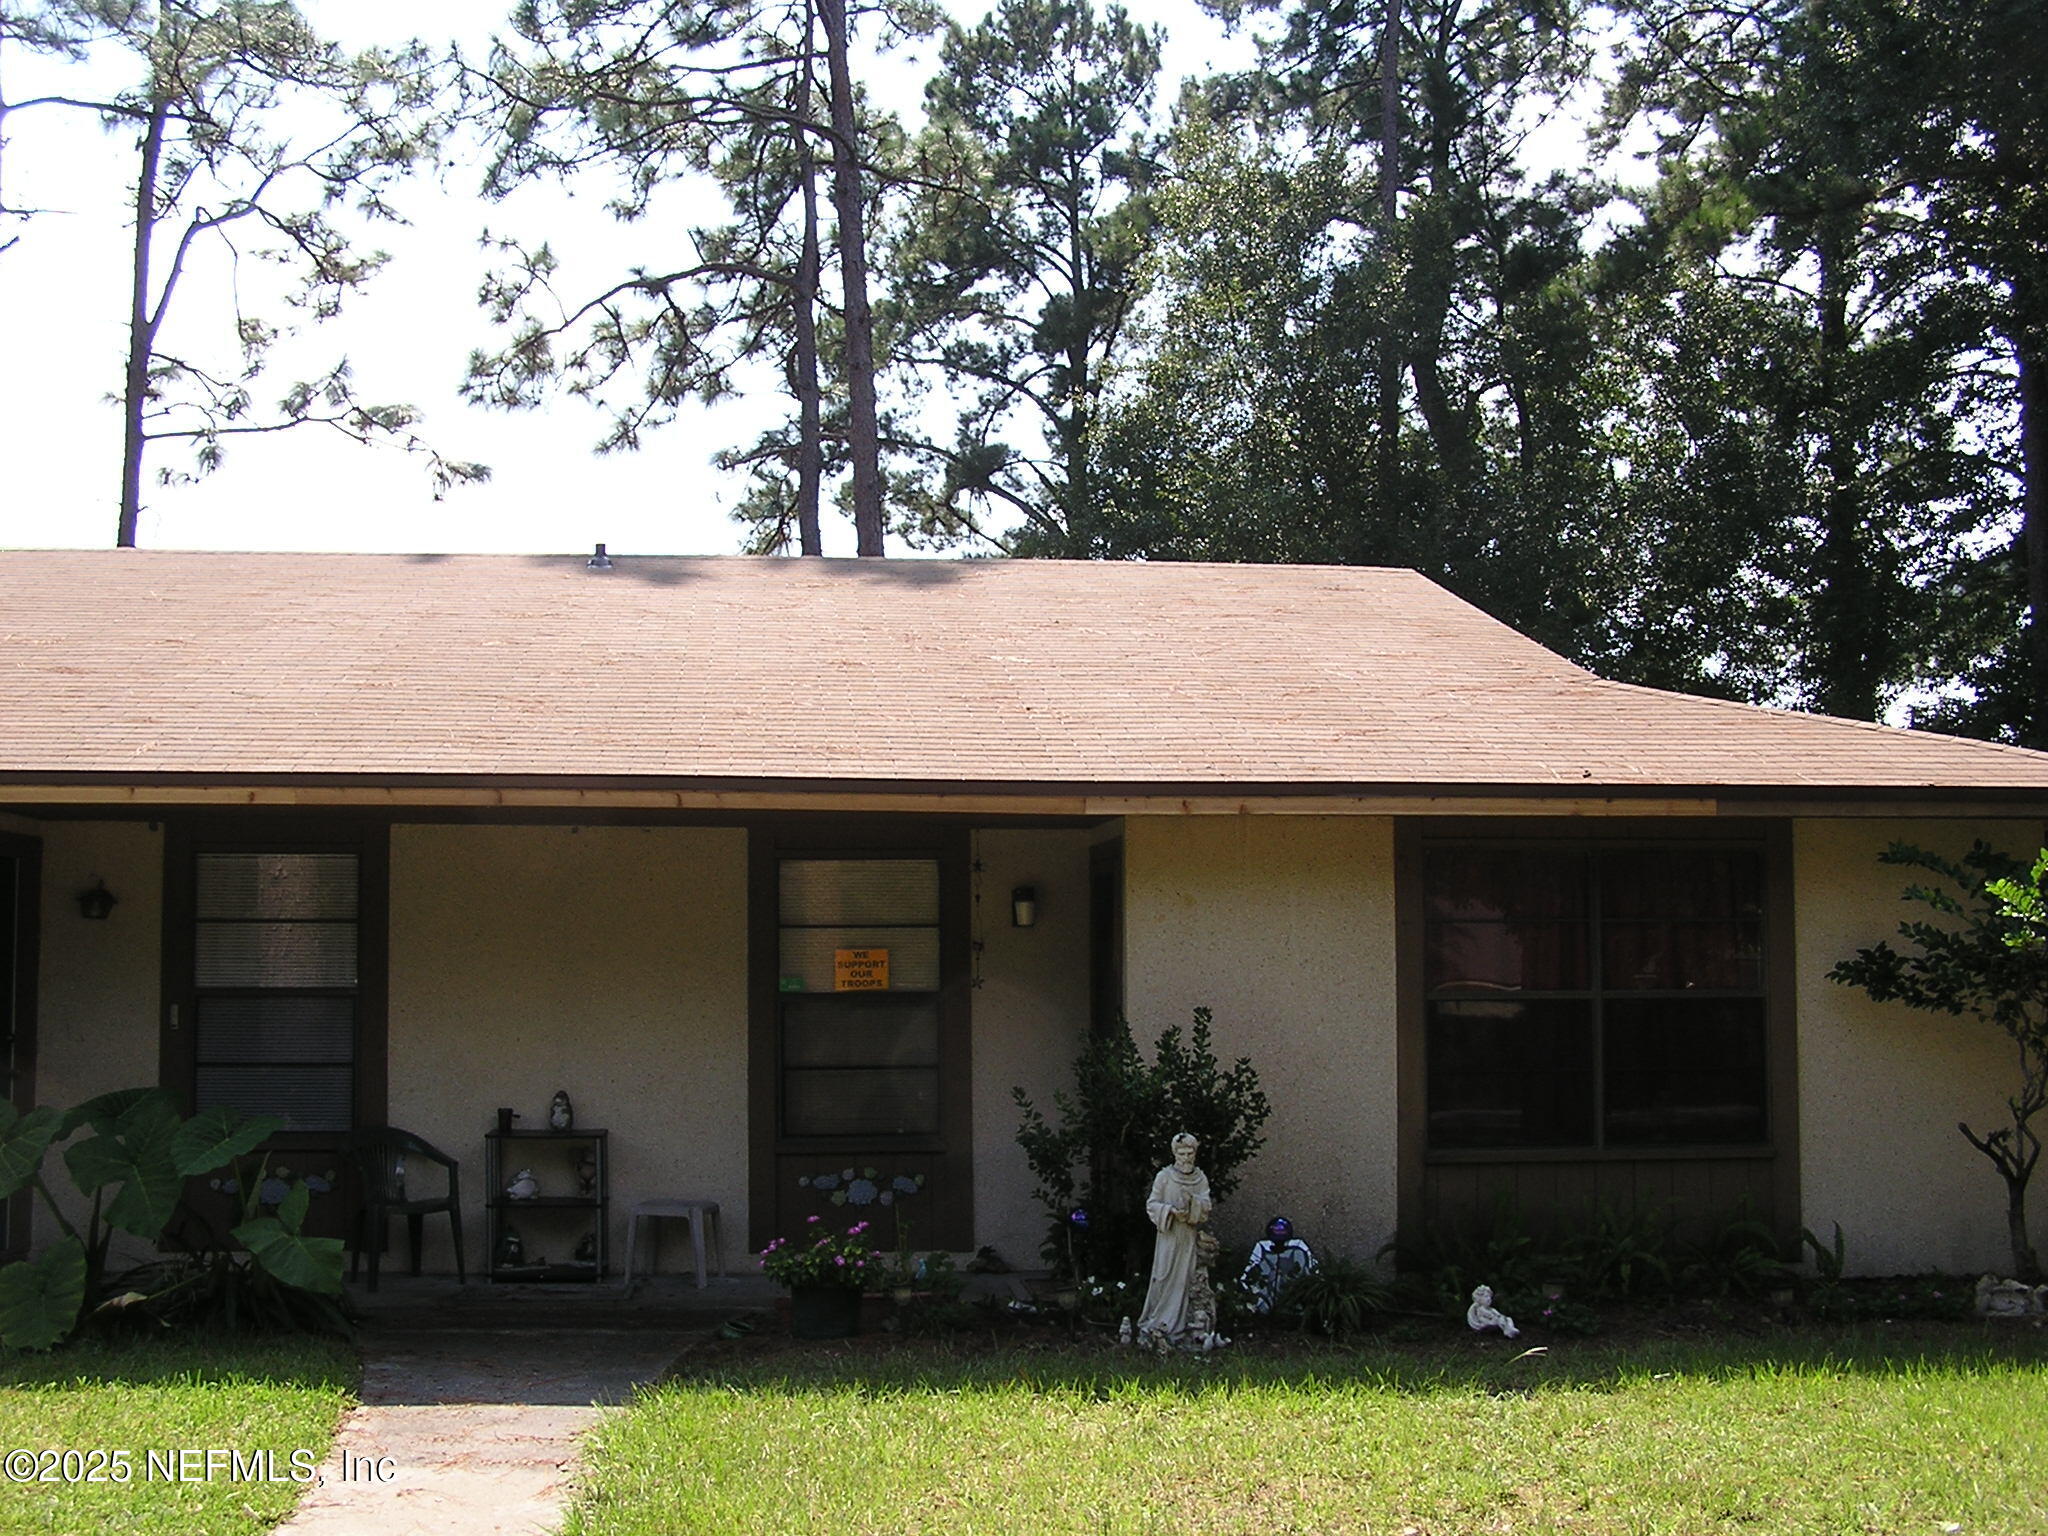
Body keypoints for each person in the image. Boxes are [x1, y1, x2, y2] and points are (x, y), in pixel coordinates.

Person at [1135, 1132, 1212, 1344]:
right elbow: (1152, 1204)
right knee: (1163, 1276)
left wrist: (1193, 1205)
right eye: (1182, 1153)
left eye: (1190, 1153)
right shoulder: (1165, 1177)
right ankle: (1158, 1321)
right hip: (1168, 1236)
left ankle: (1181, 1325)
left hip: (1188, 1236)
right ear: (1175, 1154)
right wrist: (1169, 1212)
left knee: (1185, 1279)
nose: (1186, 1158)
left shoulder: (1200, 1178)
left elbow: (1206, 1205)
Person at [1240, 1216, 1317, 1313]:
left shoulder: (1299, 1247)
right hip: (1264, 1306)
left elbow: (1315, 1272)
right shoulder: (1261, 1247)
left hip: (1293, 1305)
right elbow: (1246, 1277)